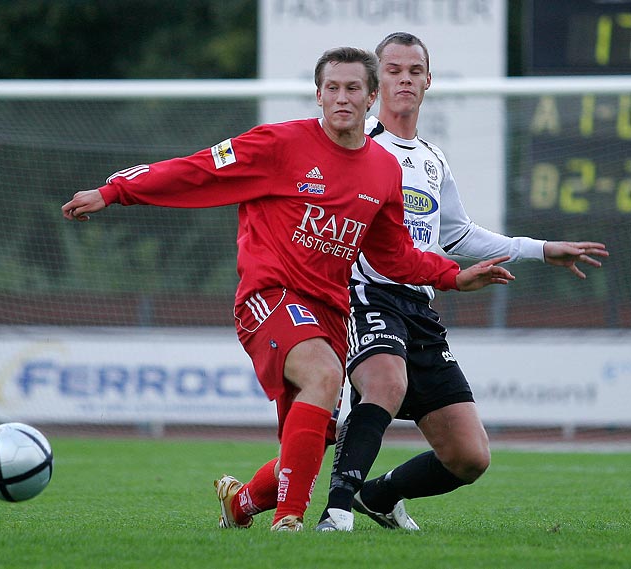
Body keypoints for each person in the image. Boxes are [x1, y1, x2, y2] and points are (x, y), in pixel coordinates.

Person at [62, 46, 515, 532]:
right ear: (318, 94)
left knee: (312, 440)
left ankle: (241, 504)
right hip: (269, 296)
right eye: (332, 88)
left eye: (353, 88)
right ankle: (291, 522)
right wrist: (113, 192)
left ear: (370, 97)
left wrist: (453, 276)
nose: (342, 98)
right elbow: (197, 171)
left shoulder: (383, 171)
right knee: (321, 376)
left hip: (329, 313)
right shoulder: (279, 144)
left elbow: (393, 255)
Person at [315, 32, 609, 532]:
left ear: (428, 81)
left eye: (414, 71)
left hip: (421, 306)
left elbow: (459, 234)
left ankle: (378, 496)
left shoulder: (432, 159)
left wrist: (540, 249)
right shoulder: (356, 146)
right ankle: (335, 510)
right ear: (373, 82)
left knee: (469, 457)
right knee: (384, 382)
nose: (404, 80)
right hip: (367, 294)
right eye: (393, 70)